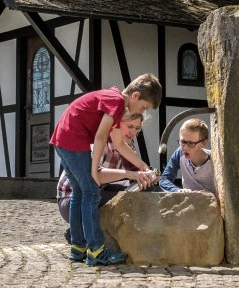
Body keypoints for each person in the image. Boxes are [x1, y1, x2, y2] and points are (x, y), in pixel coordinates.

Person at [49, 73, 162, 266]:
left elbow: (118, 143)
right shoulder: (117, 102)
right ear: (135, 96)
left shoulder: (115, 101)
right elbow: (101, 137)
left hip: (63, 137)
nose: (142, 111)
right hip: (74, 139)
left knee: (79, 192)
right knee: (91, 193)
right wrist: (95, 170)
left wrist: (143, 166)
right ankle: (96, 251)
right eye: (143, 107)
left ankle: (78, 248)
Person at [57, 113, 156, 231]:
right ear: (116, 125)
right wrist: (128, 174)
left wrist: (149, 175)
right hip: (72, 199)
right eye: (130, 126)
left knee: (146, 188)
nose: (133, 132)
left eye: (137, 128)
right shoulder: (99, 140)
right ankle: (89, 232)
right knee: (125, 201)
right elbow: (94, 176)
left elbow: (135, 172)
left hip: (98, 191)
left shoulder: (128, 145)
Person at [159, 118, 215, 194]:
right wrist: (178, 190)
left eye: (191, 143)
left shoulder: (214, 160)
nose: (184, 147)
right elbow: (164, 179)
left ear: (204, 142)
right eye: (182, 142)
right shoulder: (180, 152)